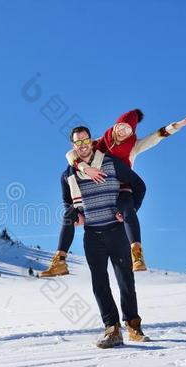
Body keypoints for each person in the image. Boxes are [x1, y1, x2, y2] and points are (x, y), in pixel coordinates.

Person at [40, 107, 186, 277]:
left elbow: (157, 136)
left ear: (132, 133)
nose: (122, 132)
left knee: (128, 207)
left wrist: (179, 124)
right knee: (70, 214)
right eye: (121, 127)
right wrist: (86, 169)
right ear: (115, 126)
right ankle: (59, 261)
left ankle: (137, 254)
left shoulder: (134, 147)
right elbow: (71, 153)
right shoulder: (101, 142)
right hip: (100, 188)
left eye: (127, 130)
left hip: (122, 187)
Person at [43, 126, 149, 348]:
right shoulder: (68, 175)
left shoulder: (111, 164)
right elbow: (67, 203)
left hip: (116, 232)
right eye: (77, 142)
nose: (82, 146)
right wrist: (77, 215)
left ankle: (133, 326)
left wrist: (130, 210)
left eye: (85, 141)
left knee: (125, 282)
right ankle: (112, 330)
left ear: (92, 142)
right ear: (73, 146)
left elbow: (139, 186)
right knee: (100, 285)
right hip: (92, 236)